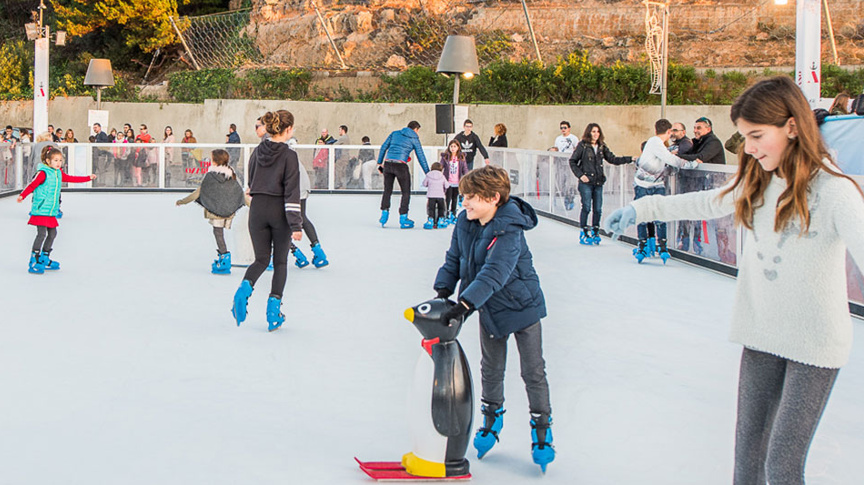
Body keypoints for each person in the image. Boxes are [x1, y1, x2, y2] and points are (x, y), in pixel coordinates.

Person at [604, 75, 864, 484]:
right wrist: (643, 210)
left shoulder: (835, 191)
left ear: (792, 127)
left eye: (757, 135)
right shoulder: (758, 180)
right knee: (746, 463)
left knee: (781, 467)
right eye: (745, 137)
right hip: (762, 332)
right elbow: (707, 201)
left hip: (815, 345)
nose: (750, 148)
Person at [433, 165, 554, 471]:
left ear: (493, 198)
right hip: (488, 307)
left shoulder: (509, 229)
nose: (465, 203)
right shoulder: (465, 222)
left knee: (533, 371)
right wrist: (442, 292)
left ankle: (542, 429)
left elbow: (494, 273)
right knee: (491, 368)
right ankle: (491, 421)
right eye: (464, 196)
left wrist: (464, 305)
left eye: (472, 197)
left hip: (522, 307)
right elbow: (455, 259)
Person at [231, 110, 303, 332]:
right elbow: (292, 192)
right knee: (280, 262)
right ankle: (274, 312)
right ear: (288, 129)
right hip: (279, 211)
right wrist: (296, 225)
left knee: (261, 260)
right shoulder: (290, 156)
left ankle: (243, 289)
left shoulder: (256, 152)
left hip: (258, 210)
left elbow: (251, 183)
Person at [254, 117, 329, 269]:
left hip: (291, 183)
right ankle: (317, 252)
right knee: (299, 217)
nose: (255, 129)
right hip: (299, 182)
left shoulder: (267, 141)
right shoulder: (277, 139)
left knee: (281, 221)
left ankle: (294, 255)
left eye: (257, 126)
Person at [16, 146, 96, 274]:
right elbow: (32, 185)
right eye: (55, 160)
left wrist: (87, 178)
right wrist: (22, 195)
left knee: (52, 234)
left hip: (51, 211)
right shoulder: (43, 173)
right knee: (41, 234)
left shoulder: (58, 173)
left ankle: (44, 257)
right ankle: (34, 260)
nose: (58, 163)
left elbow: (71, 178)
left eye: (60, 160)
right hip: (41, 209)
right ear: (48, 161)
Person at [630, 118, 700, 261]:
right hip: (643, 186)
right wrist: (692, 164)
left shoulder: (658, 145)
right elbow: (671, 159)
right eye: (671, 132)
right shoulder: (655, 142)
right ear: (668, 132)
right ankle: (643, 245)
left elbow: (666, 158)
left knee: (660, 214)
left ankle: (661, 245)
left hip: (657, 185)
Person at [176, 149, 247, 274]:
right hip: (228, 209)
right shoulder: (231, 175)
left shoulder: (210, 176)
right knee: (218, 233)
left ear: (215, 161)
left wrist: (182, 201)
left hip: (216, 210)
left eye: (212, 158)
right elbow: (239, 193)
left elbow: (197, 193)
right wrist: (255, 205)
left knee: (218, 233)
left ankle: (224, 259)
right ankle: (224, 257)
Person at [568, 123, 632, 244]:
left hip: (598, 182)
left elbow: (613, 159)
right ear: (588, 133)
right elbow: (572, 161)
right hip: (586, 182)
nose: (596, 134)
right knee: (586, 207)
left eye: (597, 131)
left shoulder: (602, 146)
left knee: (597, 208)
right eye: (593, 131)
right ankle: (584, 231)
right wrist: (581, 175)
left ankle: (595, 231)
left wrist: (629, 159)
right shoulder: (583, 145)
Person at [376, 120, 430, 228]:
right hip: (401, 165)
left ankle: (384, 214)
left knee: (387, 190)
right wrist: (428, 173)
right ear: (416, 129)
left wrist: (379, 163)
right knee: (405, 192)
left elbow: (383, 147)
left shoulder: (395, 133)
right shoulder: (414, 138)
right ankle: (403, 217)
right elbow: (421, 157)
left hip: (388, 163)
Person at [440, 139, 469, 223]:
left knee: (455, 198)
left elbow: (465, 168)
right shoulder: (445, 157)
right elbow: (441, 166)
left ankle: (453, 213)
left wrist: (467, 177)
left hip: (457, 182)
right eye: (451, 146)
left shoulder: (461, 157)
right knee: (447, 198)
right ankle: (446, 213)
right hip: (448, 181)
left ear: (458, 148)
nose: (453, 148)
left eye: (454, 146)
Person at [422, 162, 450, 229]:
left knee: (431, 209)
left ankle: (431, 221)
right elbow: (447, 185)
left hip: (431, 196)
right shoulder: (442, 176)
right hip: (440, 196)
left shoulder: (428, 175)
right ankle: (440, 220)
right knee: (441, 208)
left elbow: (424, 184)